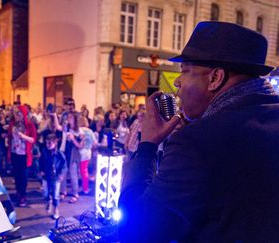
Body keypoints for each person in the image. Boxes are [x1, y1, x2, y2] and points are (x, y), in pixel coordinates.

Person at [118, 21, 279, 242]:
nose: (177, 82)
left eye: (184, 71)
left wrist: (147, 147)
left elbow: (137, 230)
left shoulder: (197, 142)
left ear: (215, 78)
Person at [39, 133, 67, 219]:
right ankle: (48, 201)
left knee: (55, 194)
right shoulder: (44, 152)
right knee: (45, 193)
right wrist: (41, 170)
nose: (48, 145)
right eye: (47, 143)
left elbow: (64, 166)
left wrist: (61, 175)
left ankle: (56, 209)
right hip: (45, 176)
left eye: (50, 143)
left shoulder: (60, 154)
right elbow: (40, 162)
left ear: (55, 143)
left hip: (56, 177)